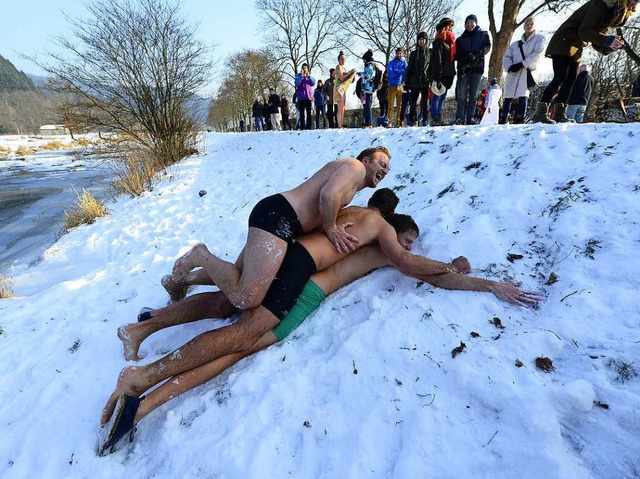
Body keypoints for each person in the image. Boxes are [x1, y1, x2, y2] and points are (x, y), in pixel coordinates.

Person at [101, 210, 540, 454]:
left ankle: (147, 349)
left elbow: (429, 272)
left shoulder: (347, 227)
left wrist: (468, 275)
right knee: (235, 345)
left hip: (291, 274)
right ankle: (141, 393)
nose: (404, 247)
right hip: (302, 296)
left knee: (227, 308)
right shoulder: (380, 243)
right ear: (395, 229)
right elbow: (425, 271)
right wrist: (474, 277)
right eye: (405, 239)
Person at [170, 147, 391, 313]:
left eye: (387, 168)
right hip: (280, 216)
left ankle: (179, 280)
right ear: (366, 159)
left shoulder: (352, 177)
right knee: (247, 297)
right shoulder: (355, 167)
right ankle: (200, 254)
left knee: (236, 274)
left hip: (283, 220)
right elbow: (328, 195)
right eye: (382, 163)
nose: (385, 170)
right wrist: (331, 229)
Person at [533, 0, 637, 124]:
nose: (636, 3)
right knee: (560, 77)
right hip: (563, 41)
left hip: (576, 47)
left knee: (570, 80)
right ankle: (540, 114)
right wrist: (606, 40)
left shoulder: (612, 12)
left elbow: (595, 38)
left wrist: (609, 46)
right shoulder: (601, 4)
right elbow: (584, 31)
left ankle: (559, 114)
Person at [499, 17, 546, 125]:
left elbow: (538, 54)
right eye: (527, 24)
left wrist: (523, 63)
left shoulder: (540, 39)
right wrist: (510, 67)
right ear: (524, 26)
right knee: (508, 94)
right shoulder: (515, 44)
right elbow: (506, 56)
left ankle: (520, 117)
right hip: (514, 71)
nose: (529, 26)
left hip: (527, 70)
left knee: (523, 94)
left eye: (531, 24)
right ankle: (503, 116)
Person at [455, 14, 491, 125]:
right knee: (461, 94)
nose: (469, 24)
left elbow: (487, 47)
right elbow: (456, 54)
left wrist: (476, 55)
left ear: (475, 22)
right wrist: (464, 58)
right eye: (467, 22)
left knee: (473, 94)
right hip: (464, 69)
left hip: (477, 68)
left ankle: (470, 118)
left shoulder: (483, 35)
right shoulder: (460, 39)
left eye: (471, 22)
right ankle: (459, 117)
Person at [430, 18, 456, 127]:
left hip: (449, 73)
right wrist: (438, 76)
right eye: (448, 26)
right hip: (440, 73)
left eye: (451, 26)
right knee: (437, 96)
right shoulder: (438, 42)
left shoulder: (451, 43)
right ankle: (435, 117)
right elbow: (437, 60)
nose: (450, 28)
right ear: (444, 27)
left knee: (443, 97)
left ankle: (439, 117)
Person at [406, 32, 431, 126]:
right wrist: (406, 80)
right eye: (420, 39)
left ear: (426, 41)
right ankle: (414, 119)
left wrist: (432, 79)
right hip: (414, 81)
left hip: (425, 81)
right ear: (417, 41)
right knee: (412, 102)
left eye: (423, 39)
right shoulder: (413, 53)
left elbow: (431, 66)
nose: (421, 41)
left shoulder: (429, 52)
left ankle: (425, 119)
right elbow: (409, 68)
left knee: (425, 103)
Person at [334, 51, 357, 128]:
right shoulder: (338, 67)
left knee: (343, 107)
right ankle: (339, 124)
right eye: (341, 59)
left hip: (343, 89)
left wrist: (352, 77)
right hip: (339, 89)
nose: (343, 60)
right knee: (340, 107)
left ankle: (342, 122)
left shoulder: (344, 68)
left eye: (344, 59)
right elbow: (342, 78)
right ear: (339, 60)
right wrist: (350, 73)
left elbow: (348, 80)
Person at [386, 47, 408, 127]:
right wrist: (399, 72)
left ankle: (399, 122)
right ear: (396, 54)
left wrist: (396, 70)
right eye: (398, 53)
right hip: (392, 85)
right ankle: (389, 122)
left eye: (400, 53)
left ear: (402, 54)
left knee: (400, 106)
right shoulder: (391, 62)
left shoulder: (404, 62)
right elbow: (390, 73)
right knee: (390, 106)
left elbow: (406, 72)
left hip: (400, 86)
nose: (399, 55)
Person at [358, 49, 377, 127]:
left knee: (368, 106)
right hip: (366, 89)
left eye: (364, 60)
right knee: (365, 106)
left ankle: (369, 123)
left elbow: (367, 76)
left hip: (368, 89)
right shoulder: (368, 66)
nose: (363, 62)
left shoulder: (369, 66)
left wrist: (360, 74)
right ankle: (366, 122)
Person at [295, 64, 316, 130]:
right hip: (301, 97)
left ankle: (309, 126)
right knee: (302, 113)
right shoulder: (298, 76)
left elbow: (313, 83)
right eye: (303, 68)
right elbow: (296, 84)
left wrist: (308, 76)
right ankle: (302, 126)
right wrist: (301, 76)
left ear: (307, 69)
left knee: (309, 113)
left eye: (305, 68)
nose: (304, 69)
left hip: (308, 97)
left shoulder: (309, 77)